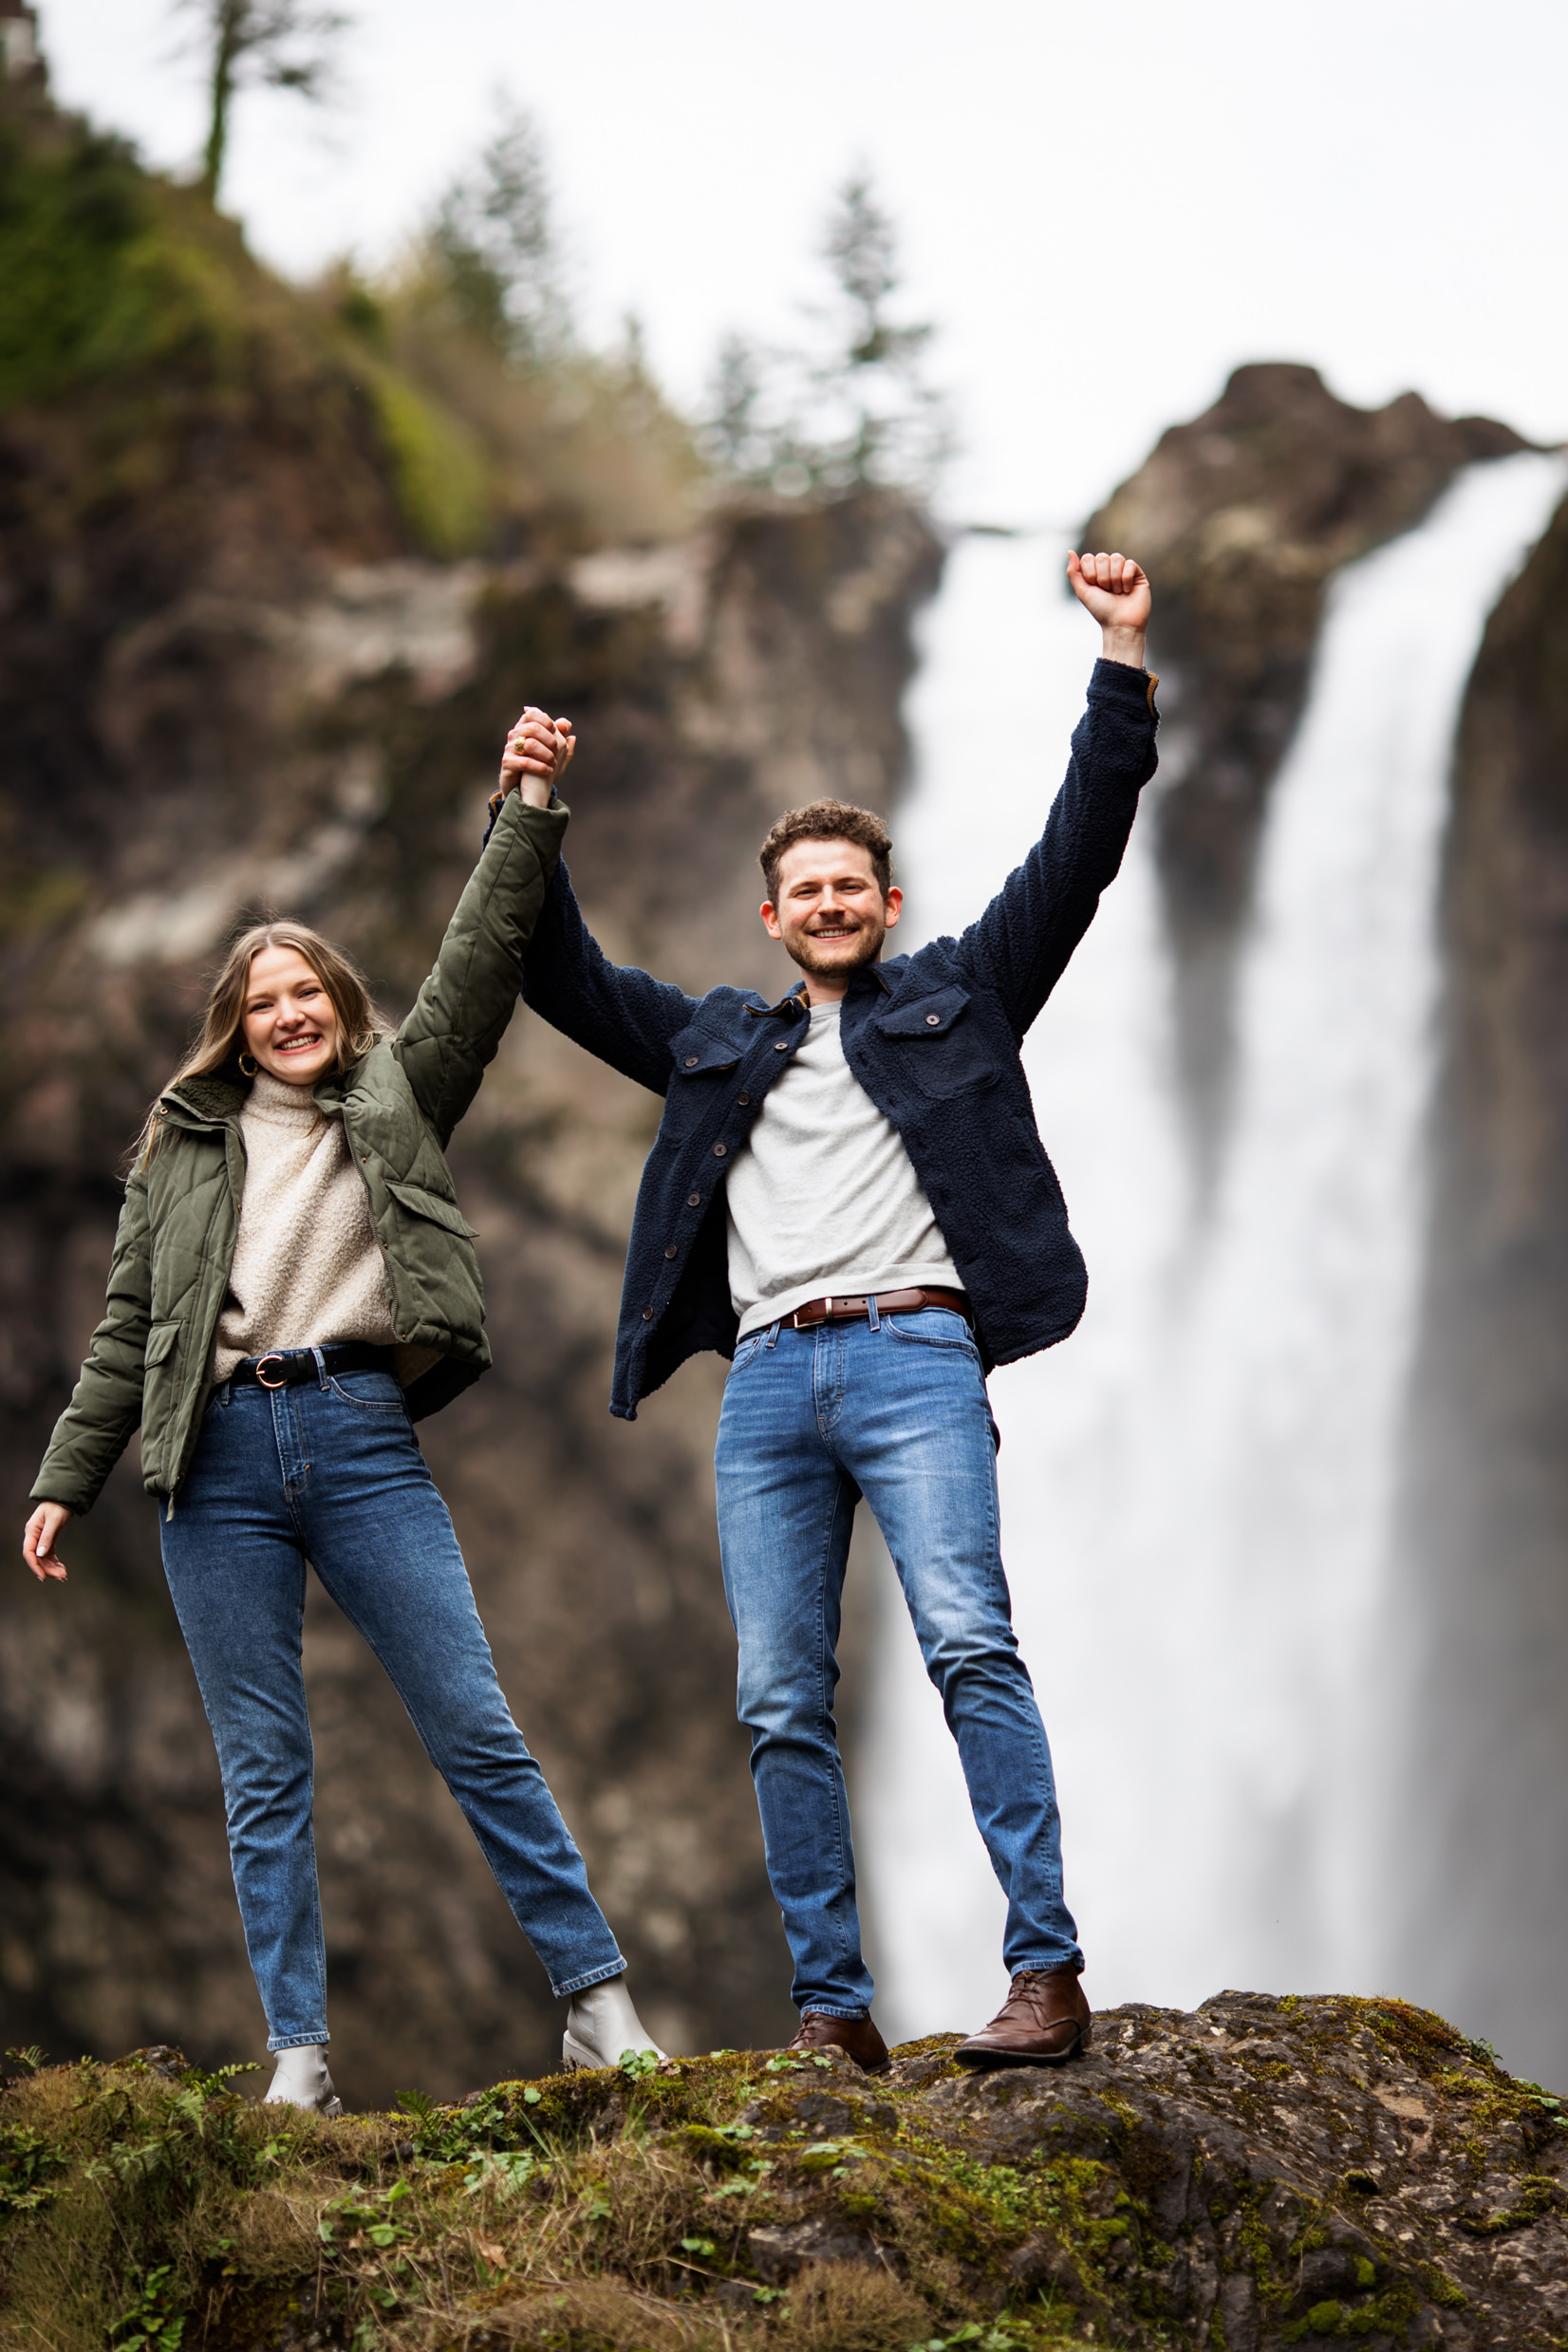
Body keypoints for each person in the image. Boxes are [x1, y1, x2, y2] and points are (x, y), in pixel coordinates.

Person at [495, 551, 1158, 2070]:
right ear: (774, 916)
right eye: (805, 891)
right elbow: (555, 968)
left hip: (918, 1351)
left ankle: (1044, 1973)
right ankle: (830, 2009)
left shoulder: (964, 991)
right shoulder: (716, 1042)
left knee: (971, 1643)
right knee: (781, 1695)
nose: (831, 904)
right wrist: (528, 811)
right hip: (771, 1386)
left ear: (886, 901)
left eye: (852, 885)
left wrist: (1120, 655)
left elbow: (1083, 847)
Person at [22, 709, 660, 2109]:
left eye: (309, 990)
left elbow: (481, 963)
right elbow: (131, 1324)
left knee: (476, 1723)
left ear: (341, 1006)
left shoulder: (399, 1094)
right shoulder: (179, 1148)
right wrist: (66, 1475)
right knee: (264, 1771)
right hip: (215, 1467)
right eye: (266, 1001)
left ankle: (596, 2000)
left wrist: (526, 804)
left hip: (363, 1438)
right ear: (235, 1027)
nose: (292, 1012)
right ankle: (300, 2054)